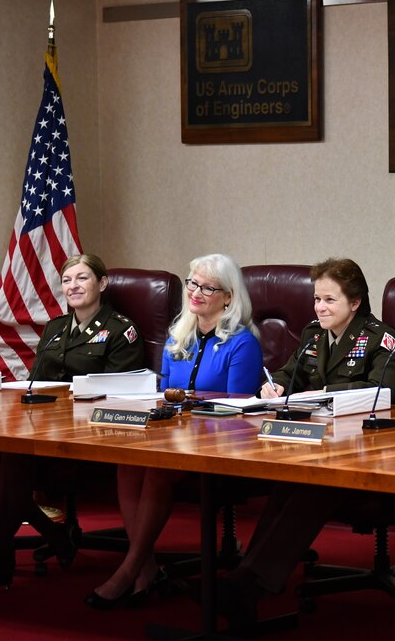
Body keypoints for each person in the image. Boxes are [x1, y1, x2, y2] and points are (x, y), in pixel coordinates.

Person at [215, 258, 395, 626]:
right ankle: (250, 579)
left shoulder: (383, 338)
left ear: (355, 302)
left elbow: (386, 391)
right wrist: (275, 386)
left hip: (365, 453)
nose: (320, 307)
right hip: (319, 445)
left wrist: (322, 392)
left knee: (312, 488)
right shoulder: (313, 334)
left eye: (330, 300)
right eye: (317, 299)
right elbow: (289, 372)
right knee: (288, 482)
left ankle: (250, 584)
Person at [85, 253, 263, 609]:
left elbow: (240, 410)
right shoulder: (176, 338)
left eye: (207, 287)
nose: (195, 292)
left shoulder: (243, 343)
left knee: (156, 471)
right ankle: (146, 566)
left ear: (228, 297)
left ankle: (129, 570)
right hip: (174, 437)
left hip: (221, 442)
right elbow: (163, 395)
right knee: (128, 461)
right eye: (192, 283)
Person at [0, 254, 146, 588]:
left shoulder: (121, 330)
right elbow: (35, 382)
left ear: (102, 284)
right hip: (45, 425)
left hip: (92, 432)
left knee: (15, 458)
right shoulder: (55, 327)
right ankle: (53, 534)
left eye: (82, 278)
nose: (73, 286)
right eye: (67, 280)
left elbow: (124, 393)